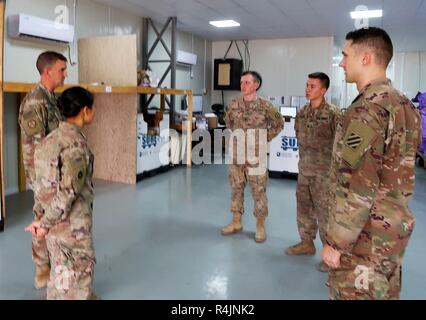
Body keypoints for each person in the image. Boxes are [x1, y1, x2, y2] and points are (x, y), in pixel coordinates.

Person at [321, 27, 421, 299]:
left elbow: (358, 183)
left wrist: (336, 243)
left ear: (365, 58)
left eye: (345, 55)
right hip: (392, 232)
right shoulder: (405, 106)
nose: (341, 62)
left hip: (365, 239)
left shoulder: (366, 109)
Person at [25, 87, 97, 300]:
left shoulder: (48, 141)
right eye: (92, 109)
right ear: (85, 111)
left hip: (53, 225)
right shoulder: (75, 144)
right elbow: (68, 193)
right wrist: (45, 223)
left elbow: (39, 186)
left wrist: (41, 219)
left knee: (59, 268)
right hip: (72, 225)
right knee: (79, 268)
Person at [19, 51, 67, 288]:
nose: (65, 74)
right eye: (62, 70)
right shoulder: (35, 102)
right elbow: (38, 146)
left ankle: (54, 264)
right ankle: (42, 269)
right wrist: (45, 181)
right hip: (43, 175)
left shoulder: (51, 99)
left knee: (53, 218)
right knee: (42, 218)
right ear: (47, 72)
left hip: (54, 171)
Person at [286, 73, 341, 273]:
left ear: (323, 90)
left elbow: (341, 146)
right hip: (304, 171)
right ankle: (306, 243)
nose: (308, 89)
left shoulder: (334, 114)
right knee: (304, 210)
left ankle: (330, 254)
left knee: (326, 214)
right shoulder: (302, 113)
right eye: (307, 85)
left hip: (325, 176)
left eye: (313, 86)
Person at [221, 71, 284, 243]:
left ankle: (260, 226)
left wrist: (263, 138)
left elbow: (279, 124)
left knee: (259, 192)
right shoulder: (233, 104)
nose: (243, 86)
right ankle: (236, 222)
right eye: (241, 82)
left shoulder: (265, 106)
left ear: (256, 85)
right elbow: (228, 123)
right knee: (236, 189)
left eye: (247, 82)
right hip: (236, 157)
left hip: (256, 157)